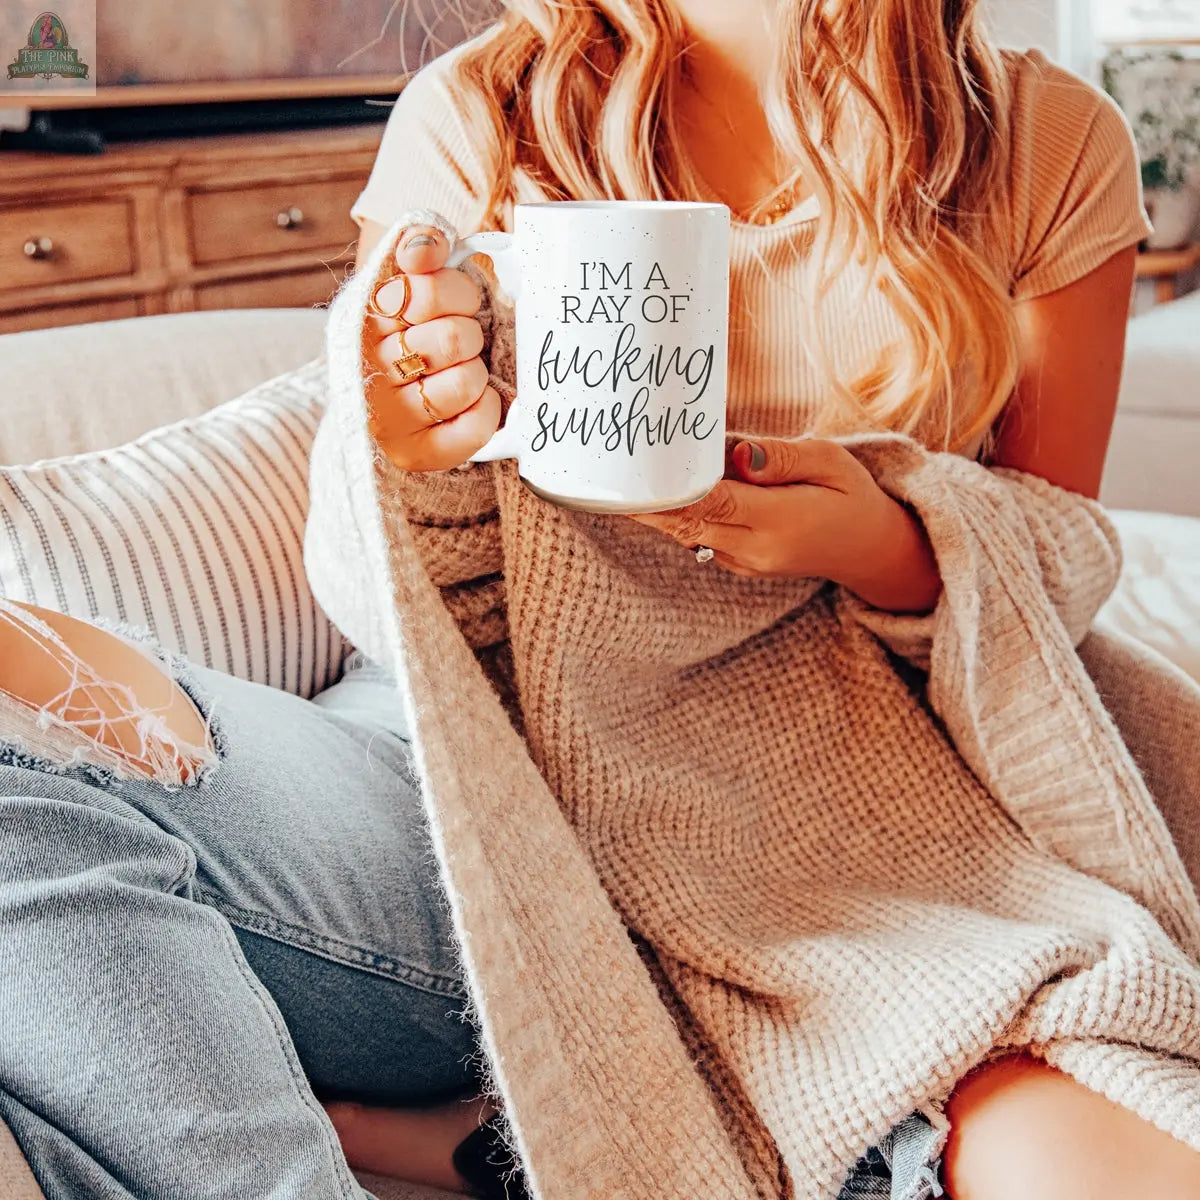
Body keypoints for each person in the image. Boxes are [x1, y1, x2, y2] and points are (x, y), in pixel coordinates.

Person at [0, 6, 1196, 1200]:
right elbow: (367, 596)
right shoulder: (476, 112)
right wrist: (402, 452)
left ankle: (522, 1136)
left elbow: (1059, 555)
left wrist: (888, 541)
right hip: (462, 772)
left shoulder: (1041, 137)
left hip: (842, 799)